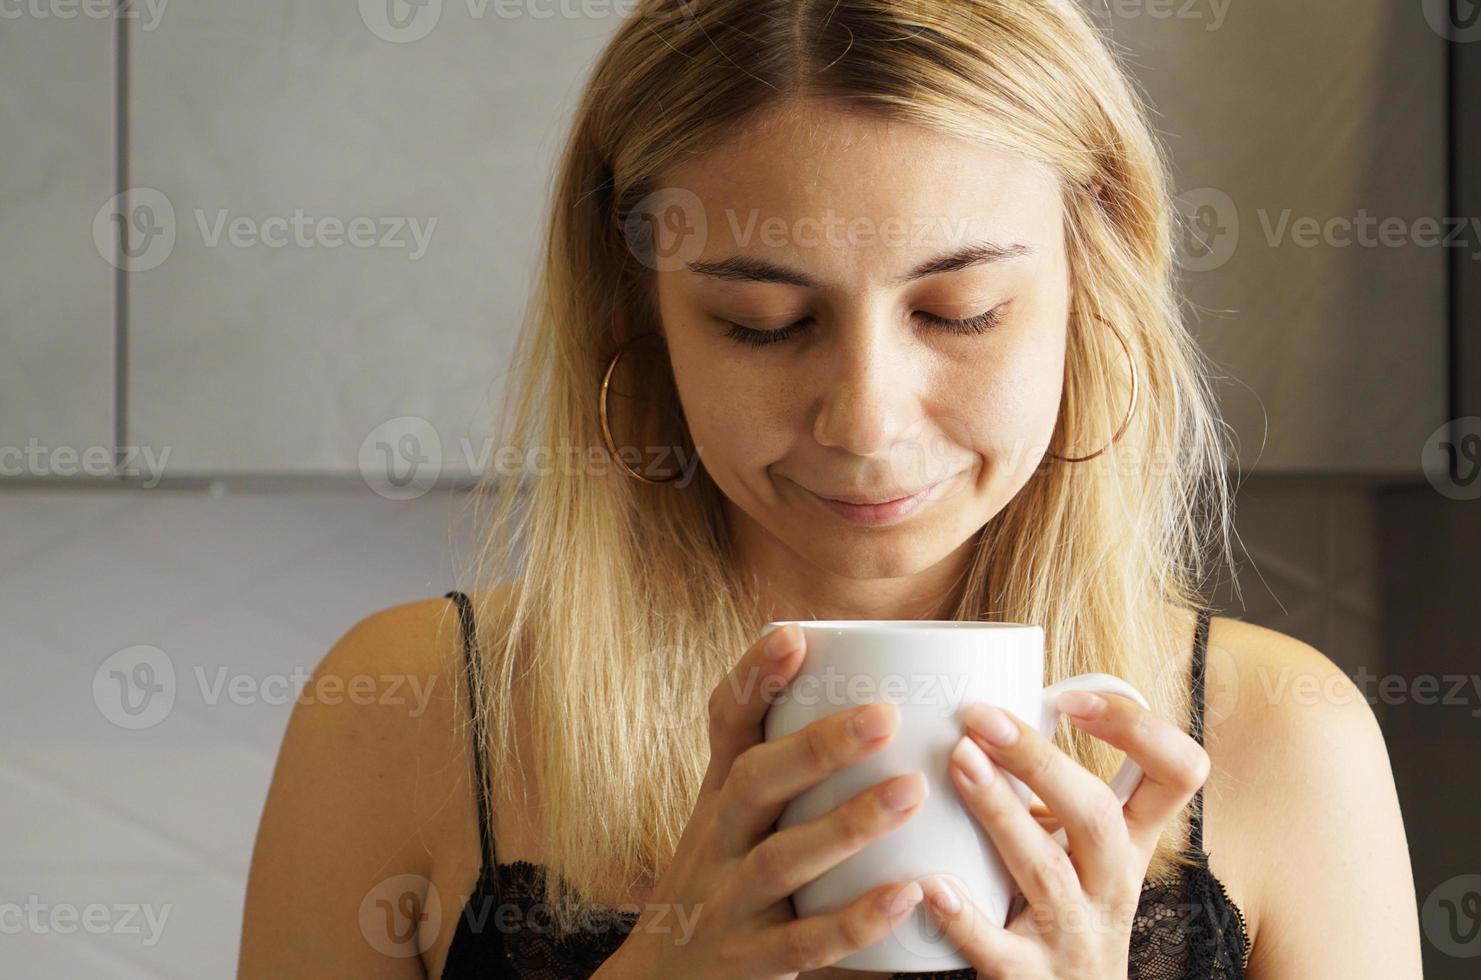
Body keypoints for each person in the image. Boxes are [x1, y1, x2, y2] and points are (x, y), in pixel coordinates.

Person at [239, 1, 1421, 976]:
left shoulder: (1281, 740)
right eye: (761, 323)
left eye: (960, 312)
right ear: (636, 320)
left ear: (1092, 286)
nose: (864, 418)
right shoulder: (405, 714)